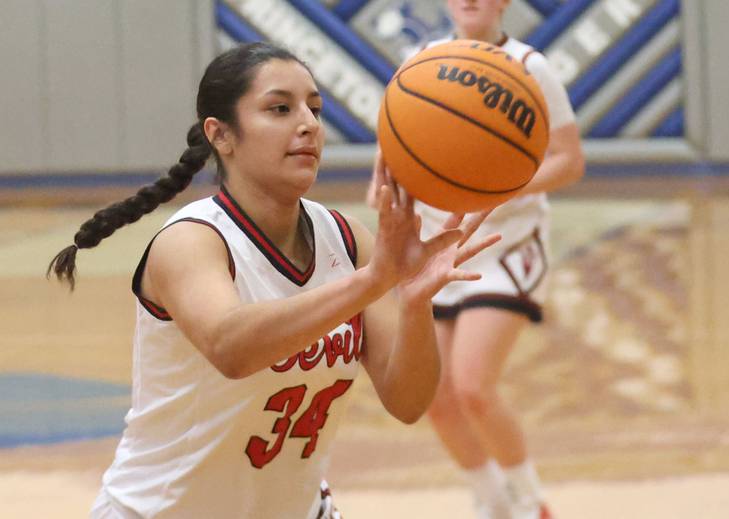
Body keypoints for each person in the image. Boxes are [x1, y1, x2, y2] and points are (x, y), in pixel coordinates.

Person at [47, 42, 499, 519]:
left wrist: (414, 301)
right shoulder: (191, 241)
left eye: (315, 108)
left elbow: (407, 401)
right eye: (280, 108)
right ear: (221, 135)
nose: (308, 123)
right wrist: (373, 282)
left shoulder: (348, 242)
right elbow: (232, 348)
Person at [367, 1, 585, 518]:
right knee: (437, 397)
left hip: (506, 245)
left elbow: (569, 159)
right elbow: (394, 145)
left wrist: (499, 186)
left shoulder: (531, 68)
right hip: (436, 245)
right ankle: (493, 501)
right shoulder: (421, 61)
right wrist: (382, 187)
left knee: (473, 387)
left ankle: (532, 503)